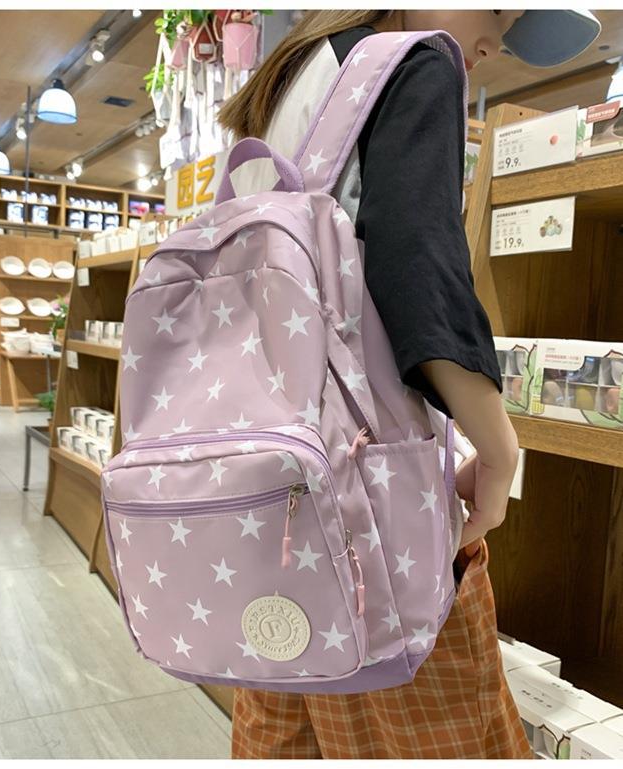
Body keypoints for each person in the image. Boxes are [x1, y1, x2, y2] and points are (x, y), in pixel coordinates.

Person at [218, 9, 601, 759]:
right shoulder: (417, 62)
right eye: (498, 10)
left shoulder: (294, 78)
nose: (493, 42)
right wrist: (498, 449)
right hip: (372, 511)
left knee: (286, 739)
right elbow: (415, 258)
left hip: (269, 500)